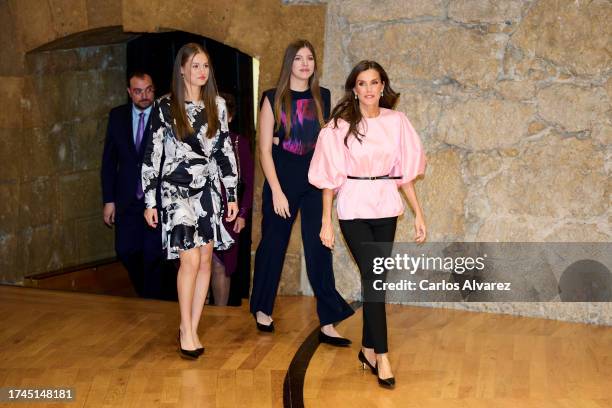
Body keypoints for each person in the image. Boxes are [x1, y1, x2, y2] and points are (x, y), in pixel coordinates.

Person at [308, 60, 427, 388]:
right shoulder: (339, 126)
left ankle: (367, 349)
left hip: (386, 206)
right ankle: (383, 357)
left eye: (375, 82)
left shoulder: (397, 121)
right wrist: (325, 221)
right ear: (354, 89)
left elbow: (404, 174)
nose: (370, 89)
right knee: (375, 279)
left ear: (383, 86)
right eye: (363, 83)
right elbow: (329, 178)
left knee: (375, 279)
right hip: (354, 207)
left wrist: (418, 213)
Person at [250, 39, 354, 345]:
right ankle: (262, 309)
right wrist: (277, 192)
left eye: (309, 58)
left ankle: (329, 320)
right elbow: (264, 149)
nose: (305, 63)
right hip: (281, 179)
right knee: (273, 244)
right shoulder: (272, 97)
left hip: (314, 180)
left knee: (319, 247)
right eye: (298, 58)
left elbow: (324, 140)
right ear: (289, 64)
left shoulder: (322, 96)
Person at [141, 43, 238, 359]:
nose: (201, 71)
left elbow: (225, 152)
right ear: (181, 69)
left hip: (208, 192)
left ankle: (193, 327)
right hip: (175, 191)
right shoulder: (165, 107)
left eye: (205, 66)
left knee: (207, 260)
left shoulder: (218, 106)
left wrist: (231, 192)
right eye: (195, 65)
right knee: (191, 260)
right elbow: (152, 155)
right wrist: (149, 201)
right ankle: (185, 326)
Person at [101, 71, 166, 299]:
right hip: (126, 199)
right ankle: (148, 295)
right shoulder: (117, 116)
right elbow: (109, 161)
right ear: (129, 92)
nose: (144, 95)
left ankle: (152, 302)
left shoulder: (164, 114)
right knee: (126, 251)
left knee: (153, 254)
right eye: (138, 91)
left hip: (157, 200)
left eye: (149, 90)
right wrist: (109, 200)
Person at [210, 93, 254, 306]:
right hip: (202, 210)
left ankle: (218, 316)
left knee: (220, 265)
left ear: (230, 117)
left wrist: (243, 214)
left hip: (230, 212)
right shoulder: (198, 142)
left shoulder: (239, 143)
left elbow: (249, 181)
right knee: (199, 264)